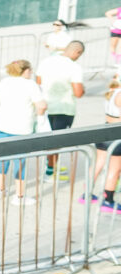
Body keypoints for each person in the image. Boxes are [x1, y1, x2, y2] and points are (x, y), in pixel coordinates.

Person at [0, 59, 47, 205]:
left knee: (2, 157)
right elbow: (41, 105)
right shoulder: (30, 85)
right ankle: (19, 195)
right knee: (20, 161)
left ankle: (0, 189)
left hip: (3, 124)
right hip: (22, 127)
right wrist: (41, 119)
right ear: (26, 70)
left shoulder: (4, 82)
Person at [35, 40, 85, 181]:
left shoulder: (46, 61)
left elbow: (38, 82)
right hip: (64, 108)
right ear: (77, 52)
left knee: (49, 138)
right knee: (56, 141)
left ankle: (51, 165)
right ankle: (50, 172)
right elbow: (78, 93)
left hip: (46, 106)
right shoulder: (74, 67)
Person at [84, 76, 121, 211]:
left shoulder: (113, 91)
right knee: (115, 168)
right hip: (117, 134)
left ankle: (86, 194)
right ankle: (108, 201)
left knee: (98, 163)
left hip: (105, 130)